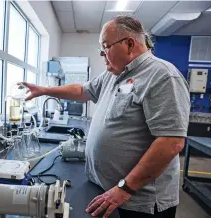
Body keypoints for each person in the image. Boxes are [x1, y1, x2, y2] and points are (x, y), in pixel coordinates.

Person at [22, 15, 190, 218]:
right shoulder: (114, 75)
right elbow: (82, 91)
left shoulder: (161, 75)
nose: (101, 53)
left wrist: (124, 189)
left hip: (138, 202)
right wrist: (44, 90)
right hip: (106, 191)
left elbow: (171, 142)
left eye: (105, 46)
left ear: (129, 44)